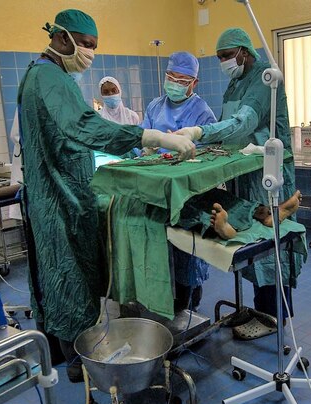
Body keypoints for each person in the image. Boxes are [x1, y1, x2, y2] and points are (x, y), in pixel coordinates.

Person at [18, 9, 195, 379]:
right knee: (68, 281)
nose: (90, 54)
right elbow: (83, 125)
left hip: (66, 196)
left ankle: (72, 353)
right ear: (61, 37)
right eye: (85, 45)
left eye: (95, 47)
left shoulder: (49, 76)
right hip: (59, 201)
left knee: (72, 278)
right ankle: (77, 364)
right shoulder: (48, 77)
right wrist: (149, 137)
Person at [175, 27, 298, 340]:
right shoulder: (235, 83)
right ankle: (254, 308)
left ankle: (273, 318)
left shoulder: (262, 76)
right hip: (245, 168)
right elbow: (228, 128)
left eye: (227, 55)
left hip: (268, 168)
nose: (224, 62)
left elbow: (244, 121)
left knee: (269, 247)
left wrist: (199, 133)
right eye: (219, 58)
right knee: (249, 239)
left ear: (244, 51)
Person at [141, 51, 217, 313]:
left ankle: (188, 305)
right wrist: (148, 149)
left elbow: (209, 158)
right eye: (171, 77)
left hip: (188, 195)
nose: (174, 83)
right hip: (155, 192)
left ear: (194, 83)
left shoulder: (202, 113)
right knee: (159, 249)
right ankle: (162, 303)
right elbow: (140, 144)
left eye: (181, 80)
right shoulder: (154, 106)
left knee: (187, 250)